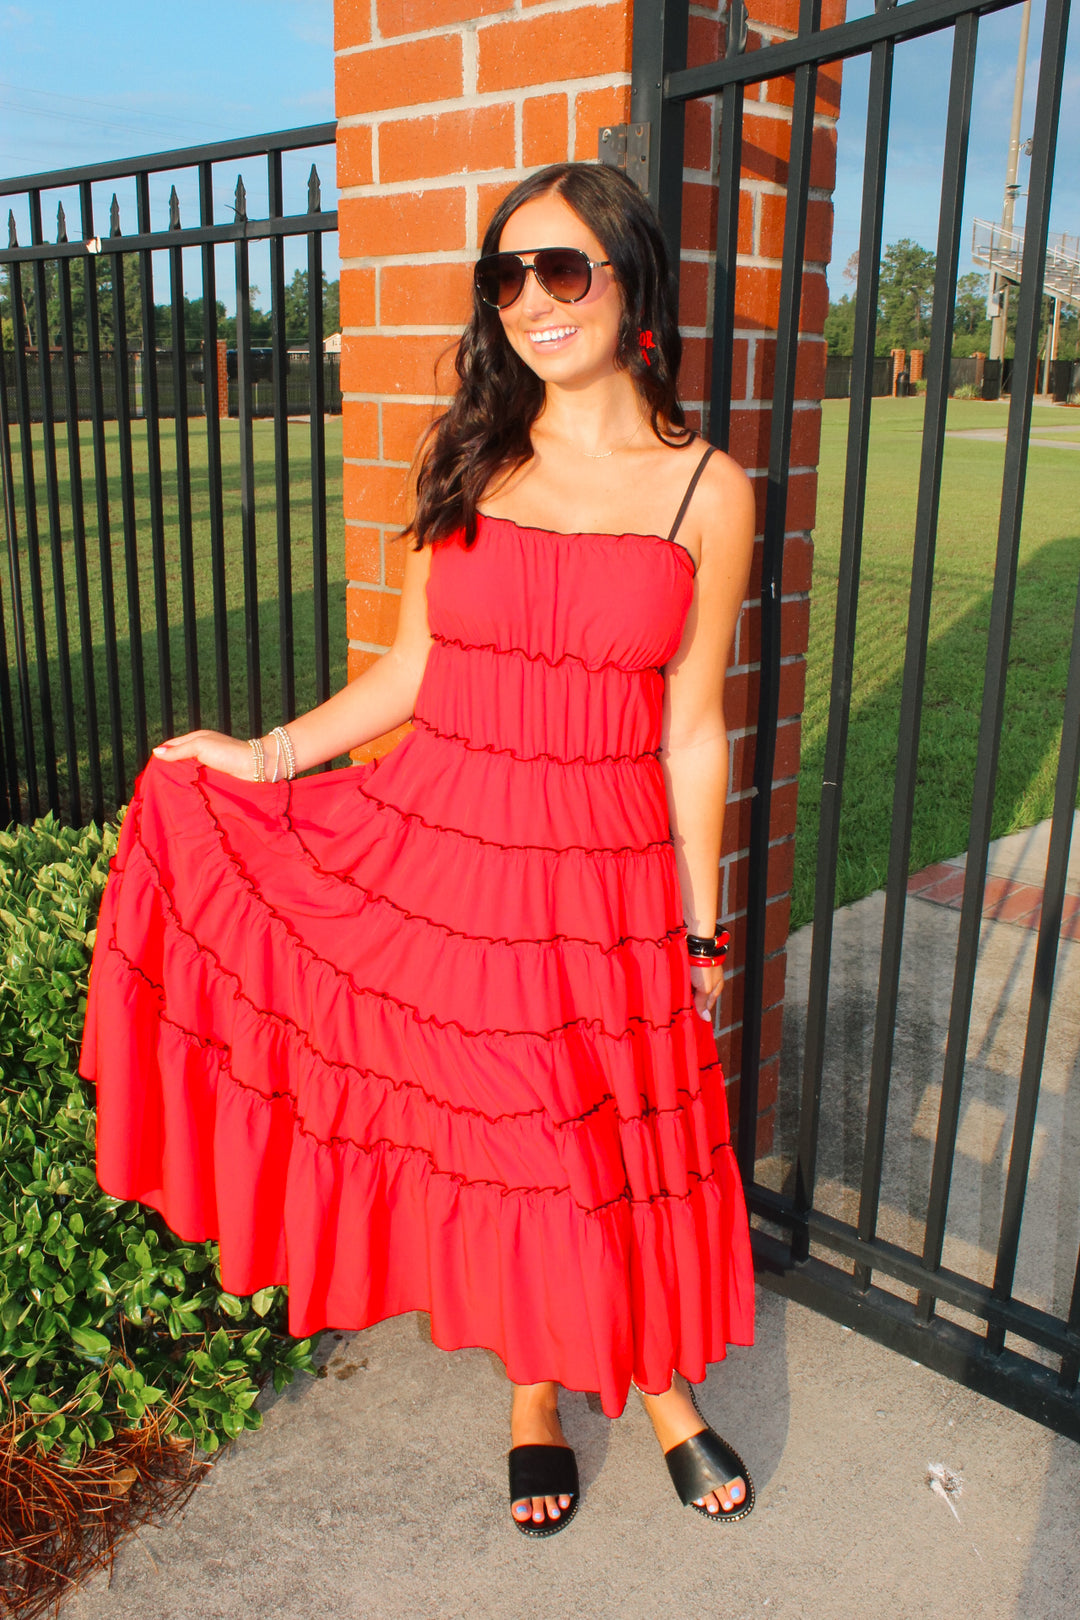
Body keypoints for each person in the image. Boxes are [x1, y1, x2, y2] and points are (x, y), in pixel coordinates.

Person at [80, 160, 757, 1537]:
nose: (529, 302)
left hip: (605, 875)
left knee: (601, 1143)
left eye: (561, 270)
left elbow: (693, 733)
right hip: (450, 863)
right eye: (505, 277)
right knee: (505, 1145)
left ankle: (661, 1379)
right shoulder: (473, 459)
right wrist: (263, 758)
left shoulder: (706, 492)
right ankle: (532, 1393)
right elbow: (411, 674)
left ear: (631, 286)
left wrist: (702, 922)